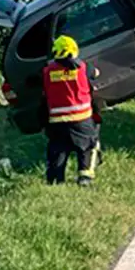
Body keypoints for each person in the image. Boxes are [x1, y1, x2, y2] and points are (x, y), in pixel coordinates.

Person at [40, 35, 101, 186]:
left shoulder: (47, 70)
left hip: (57, 120)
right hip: (81, 118)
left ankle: (55, 180)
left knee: (58, 150)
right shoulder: (84, 67)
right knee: (88, 146)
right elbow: (96, 73)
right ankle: (85, 177)